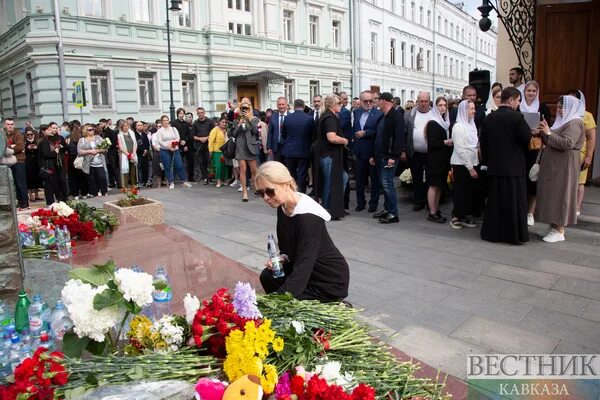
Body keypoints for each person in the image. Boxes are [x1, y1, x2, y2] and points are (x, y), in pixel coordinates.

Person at [255, 161, 349, 302]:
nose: (266, 198)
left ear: (286, 184)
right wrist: (283, 258)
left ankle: (332, 302)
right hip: (305, 269)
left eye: (270, 191)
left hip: (327, 280)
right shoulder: (283, 207)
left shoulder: (308, 219)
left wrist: (276, 302)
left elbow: (303, 269)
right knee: (267, 277)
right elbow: (289, 248)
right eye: (260, 193)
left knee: (286, 297)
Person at [480, 87, 532, 244]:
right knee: (513, 203)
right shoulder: (517, 118)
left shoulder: (489, 118)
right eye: (518, 101)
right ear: (510, 100)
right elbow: (526, 138)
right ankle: (513, 235)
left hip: (495, 167)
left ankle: (493, 234)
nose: (518, 104)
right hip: (513, 169)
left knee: (495, 203)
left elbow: (484, 143)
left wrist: (488, 162)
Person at [535, 95, 586, 243]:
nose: (558, 110)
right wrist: (545, 132)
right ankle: (554, 225)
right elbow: (552, 141)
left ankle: (559, 229)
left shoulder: (575, 122)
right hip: (556, 165)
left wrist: (549, 133)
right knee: (553, 195)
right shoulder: (565, 122)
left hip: (565, 166)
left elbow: (567, 143)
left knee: (561, 194)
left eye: (561, 108)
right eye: (557, 107)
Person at [519, 81, 552, 226]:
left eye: (533, 91)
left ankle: (530, 213)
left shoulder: (542, 107)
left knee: (533, 179)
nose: (531, 93)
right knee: (520, 178)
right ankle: (520, 209)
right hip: (520, 147)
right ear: (524, 92)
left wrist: (538, 130)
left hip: (535, 148)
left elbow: (547, 126)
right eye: (528, 91)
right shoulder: (518, 106)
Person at [370, 92, 406, 224]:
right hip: (380, 156)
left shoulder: (396, 116)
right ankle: (387, 209)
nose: (376, 103)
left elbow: (399, 138)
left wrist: (394, 155)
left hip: (389, 157)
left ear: (385, 101)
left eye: (378, 100)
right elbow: (378, 137)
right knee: (384, 184)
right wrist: (374, 155)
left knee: (388, 184)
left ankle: (393, 213)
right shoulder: (383, 116)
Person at [312, 94, 349, 220]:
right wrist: (344, 140)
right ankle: (328, 209)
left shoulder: (328, 116)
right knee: (332, 182)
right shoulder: (329, 118)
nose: (341, 105)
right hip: (328, 156)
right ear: (332, 104)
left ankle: (332, 207)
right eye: (338, 103)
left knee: (338, 179)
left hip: (327, 155)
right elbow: (331, 137)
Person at [449, 100, 479, 229]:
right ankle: (456, 216)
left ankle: (464, 215)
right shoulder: (458, 126)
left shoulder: (471, 125)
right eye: (471, 109)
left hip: (472, 162)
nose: (474, 111)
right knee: (460, 191)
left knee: (468, 192)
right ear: (463, 111)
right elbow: (460, 149)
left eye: (474, 108)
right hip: (461, 164)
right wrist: (470, 168)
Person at [352, 90, 384, 212]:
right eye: (366, 101)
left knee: (374, 180)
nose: (369, 103)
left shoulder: (378, 114)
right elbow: (354, 128)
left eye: (371, 100)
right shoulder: (356, 112)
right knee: (359, 180)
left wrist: (366, 133)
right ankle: (360, 203)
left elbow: (378, 132)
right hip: (359, 152)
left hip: (372, 152)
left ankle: (373, 203)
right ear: (360, 101)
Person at [567, 90, 597, 217]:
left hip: (581, 153)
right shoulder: (565, 114)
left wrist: (589, 156)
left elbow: (591, 138)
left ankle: (577, 207)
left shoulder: (586, 115)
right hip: (566, 152)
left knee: (579, 182)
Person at [405, 92, 434, 211]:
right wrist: (403, 150)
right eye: (421, 101)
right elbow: (404, 132)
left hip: (431, 153)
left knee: (430, 177)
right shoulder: (410, 114)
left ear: (429, 101)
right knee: (416, 177)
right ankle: (419, 201)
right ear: (417, 101)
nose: (423, 104)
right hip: (415, 152)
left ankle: (430, 201)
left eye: (425, 101)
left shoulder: (435, 113)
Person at [425, 97, 452, 223]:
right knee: (433, 185)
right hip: (435, 159)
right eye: (440, 105)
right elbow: (432, 143)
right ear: (435, 107)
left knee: (440, 185)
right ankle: (432, 212)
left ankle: (435, 209)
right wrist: (446, 142)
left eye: (444, 105)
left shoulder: (445, 121)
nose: (442, 107)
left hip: (443, 158)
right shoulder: (433, 122)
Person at [281, 99, 313, 193]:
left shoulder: (287, 118)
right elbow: (312, 135)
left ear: (294, 106)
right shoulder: (309, 119)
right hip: (303, 150)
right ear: (303, 106)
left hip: (289, 150)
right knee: (302, 174)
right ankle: (301, 194)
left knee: (291, 174)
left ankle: (291, 193)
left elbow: (283, 135)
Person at [231, 101, 260, 202]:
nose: (244, 110)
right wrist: (239, 124)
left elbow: (255, 132)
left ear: (250, 109)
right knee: (242, 170)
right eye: (242, 108)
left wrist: (248, 119)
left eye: (246, 108)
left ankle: (255, 186)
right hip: (240, 148)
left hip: (251, 148)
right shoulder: (236, 120)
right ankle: (245, 192)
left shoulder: (254, 119)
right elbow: (234, 134)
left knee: (254, 170)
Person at [155, 115, 193, 189]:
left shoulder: (173, 128)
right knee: (167, 166)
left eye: (167, 120)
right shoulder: (160, 131)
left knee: (179, 165)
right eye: (164, 120)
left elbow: (177, 138)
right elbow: (160, 141)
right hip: (165, 150)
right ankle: (171, 182)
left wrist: (174, 144)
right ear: (162, 122)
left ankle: (184, 181)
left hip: (175, 149)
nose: (166, 122)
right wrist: (168, 146)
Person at [37, 123, 67, 205]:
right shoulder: (44, 141)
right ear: (44, 131)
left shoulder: (46, 139)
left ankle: (54, 201)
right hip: (47, 166)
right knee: (49, 185)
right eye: (49, 130)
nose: (51, 131)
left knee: (51, 184)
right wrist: (55, 152)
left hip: (48, 165)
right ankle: (50, 202)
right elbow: (46, 154)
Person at [3, 118, 29, 210]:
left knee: (20, 183)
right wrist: (11, 146)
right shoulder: (4, 135)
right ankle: (20, 201)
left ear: (14, 125)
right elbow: (2, 146)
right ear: (4, 125)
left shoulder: (18, 134)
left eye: (11, 124)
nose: (10, 126)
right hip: (9, 161)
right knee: (13, 183)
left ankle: (25, 202)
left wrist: (8, 148)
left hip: (19, 161)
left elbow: (20, 147)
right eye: (8, 124)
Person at [78, 124, 108, 197]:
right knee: (92, 180)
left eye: (93, 129)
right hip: (89, 163)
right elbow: (80, 151)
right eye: (90, 130)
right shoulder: (82, 140)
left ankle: (104, 192)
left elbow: (105, 148)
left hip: (100, 162)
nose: (92, 131)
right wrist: (90, 151)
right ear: (86, 131)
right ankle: (94, 194)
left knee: (102, 177)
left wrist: (97, 151)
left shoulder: (98, 138)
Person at [191, 107, 215, 184]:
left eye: (202, 112)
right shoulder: (195, 123)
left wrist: (206, 138)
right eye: (199, 113)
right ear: (197, 114)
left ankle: (211, 177)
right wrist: (199, 138)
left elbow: (214, 133)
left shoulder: (210, 122)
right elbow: (192, 135)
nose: (200, 114)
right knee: (202, 162)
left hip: (209, 145)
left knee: (210, 161)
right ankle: (205, 177)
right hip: (199, 146)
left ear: (204, 113)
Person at [65, 123, 88, 199]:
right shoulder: (82, 138)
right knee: (83, 177)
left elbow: (66, 150)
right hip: (81, 158)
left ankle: (75, 194)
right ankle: (84, 193)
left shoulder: (68, 139)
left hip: (71, 159)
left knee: (73, 178)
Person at [172, 108, 194, 182]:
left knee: (190, 162)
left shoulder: (186, 123)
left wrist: (186, 143)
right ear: (177, 114)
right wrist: (180, 141)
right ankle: (179, 177)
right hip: (178, 145)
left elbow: (189, 134)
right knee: (178, 162)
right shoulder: (173, 123)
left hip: (186, 145)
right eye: (180, 113)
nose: (181, 115)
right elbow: (173, 135)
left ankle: (190, 177)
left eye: (182, 113)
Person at [208, 117, 229, 188]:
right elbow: (211, 141)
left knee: (224, 166)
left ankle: (223, 180)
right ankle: (219, 181)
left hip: (225, 151)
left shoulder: (226, 130)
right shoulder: (215, 130)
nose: (224, 124)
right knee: (218, 166)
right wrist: (210, 151)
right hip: (217, 151)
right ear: (219, 122)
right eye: (223, 122)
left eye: (225, 122)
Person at [267, 96, 288, 163]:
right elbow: (270, 133)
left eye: (283, 104)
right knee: (277, 167)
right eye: (279, 105)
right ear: (277, 105)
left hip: (287, 146)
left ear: (286, 105)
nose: (281, 106)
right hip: (276, 147)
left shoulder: (291, 116)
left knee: (288, 167)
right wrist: (269, 147)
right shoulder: (273, 117)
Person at [117, 121, 138, 188]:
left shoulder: (132, 133)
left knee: (133, 171)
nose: (126, 127)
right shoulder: (120, 135)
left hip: (133, 153)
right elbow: (121, 146)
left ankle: (134, 186)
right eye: (124, 126)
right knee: (125, 170)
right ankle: (125, 187)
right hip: (125, 154)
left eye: (127, 125)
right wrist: (128, 154)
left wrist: (133, 153)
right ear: (121, 127)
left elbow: (135, 143)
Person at [23, 128, 42, 202]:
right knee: (29, 179)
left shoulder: (36, 141)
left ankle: (37, 195)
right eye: (28, 134)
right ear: (26, 135)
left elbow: (40, 150)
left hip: (36, 162)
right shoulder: (24, 142)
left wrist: (36, 148)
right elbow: (22, 150)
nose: (30, 136)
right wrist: (27, 148)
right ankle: (31, 195)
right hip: (28, 162)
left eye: (31, 134)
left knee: (37, 178)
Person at [133, 121, 150, 187]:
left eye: (141, 125)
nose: (140, 126)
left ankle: (145, 181)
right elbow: (135, 145)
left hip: (145, 154)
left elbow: (147, 143)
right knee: (138, 168)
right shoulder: (134, 134)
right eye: (139, 125)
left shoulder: (144, 134)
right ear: (136, 126)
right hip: (138, 153)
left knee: (145, 167)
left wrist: (146, 150)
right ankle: (139, 181)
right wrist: (142, 150)